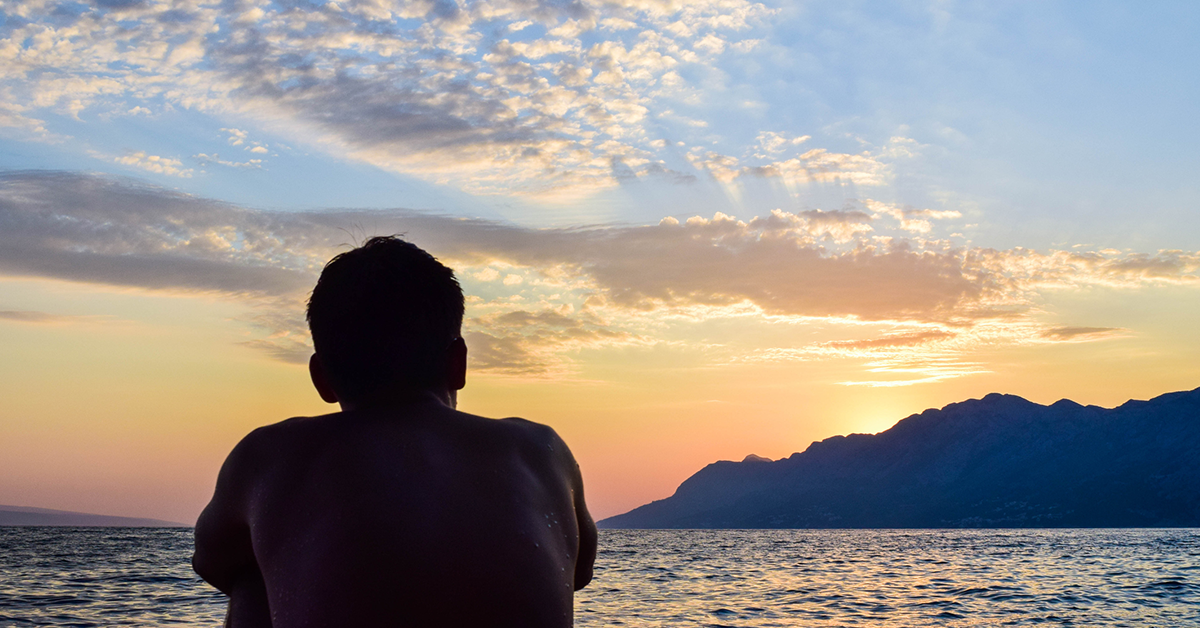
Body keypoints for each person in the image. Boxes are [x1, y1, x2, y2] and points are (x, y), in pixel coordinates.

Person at [193, 236, 597, 627]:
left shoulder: (271, 454)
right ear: (459, 363)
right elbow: (577, 572)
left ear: (322, 378)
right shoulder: (539, 450)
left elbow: (211, 560)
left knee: (250, 579)